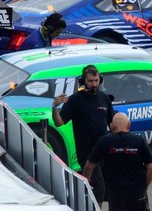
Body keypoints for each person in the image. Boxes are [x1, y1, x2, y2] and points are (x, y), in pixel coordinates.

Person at [53, 65, 114, 205]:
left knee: (108, 189)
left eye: (96, 80)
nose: (94, 84)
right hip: (87, 153)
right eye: (91, 81)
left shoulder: (104, 99)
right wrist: (54, 107)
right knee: (98, 187)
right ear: (83, 81)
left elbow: (112, 123)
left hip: (105, 151)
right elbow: (59, 122)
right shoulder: (75, 100)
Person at [84, 113, 152, 211]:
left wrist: (85, 185)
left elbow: (89, 166)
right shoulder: (139, 141)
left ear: (111, 126)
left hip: (116, 194)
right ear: (129, 125)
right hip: (137, 193)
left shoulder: (104, 141)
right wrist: (143, 186)